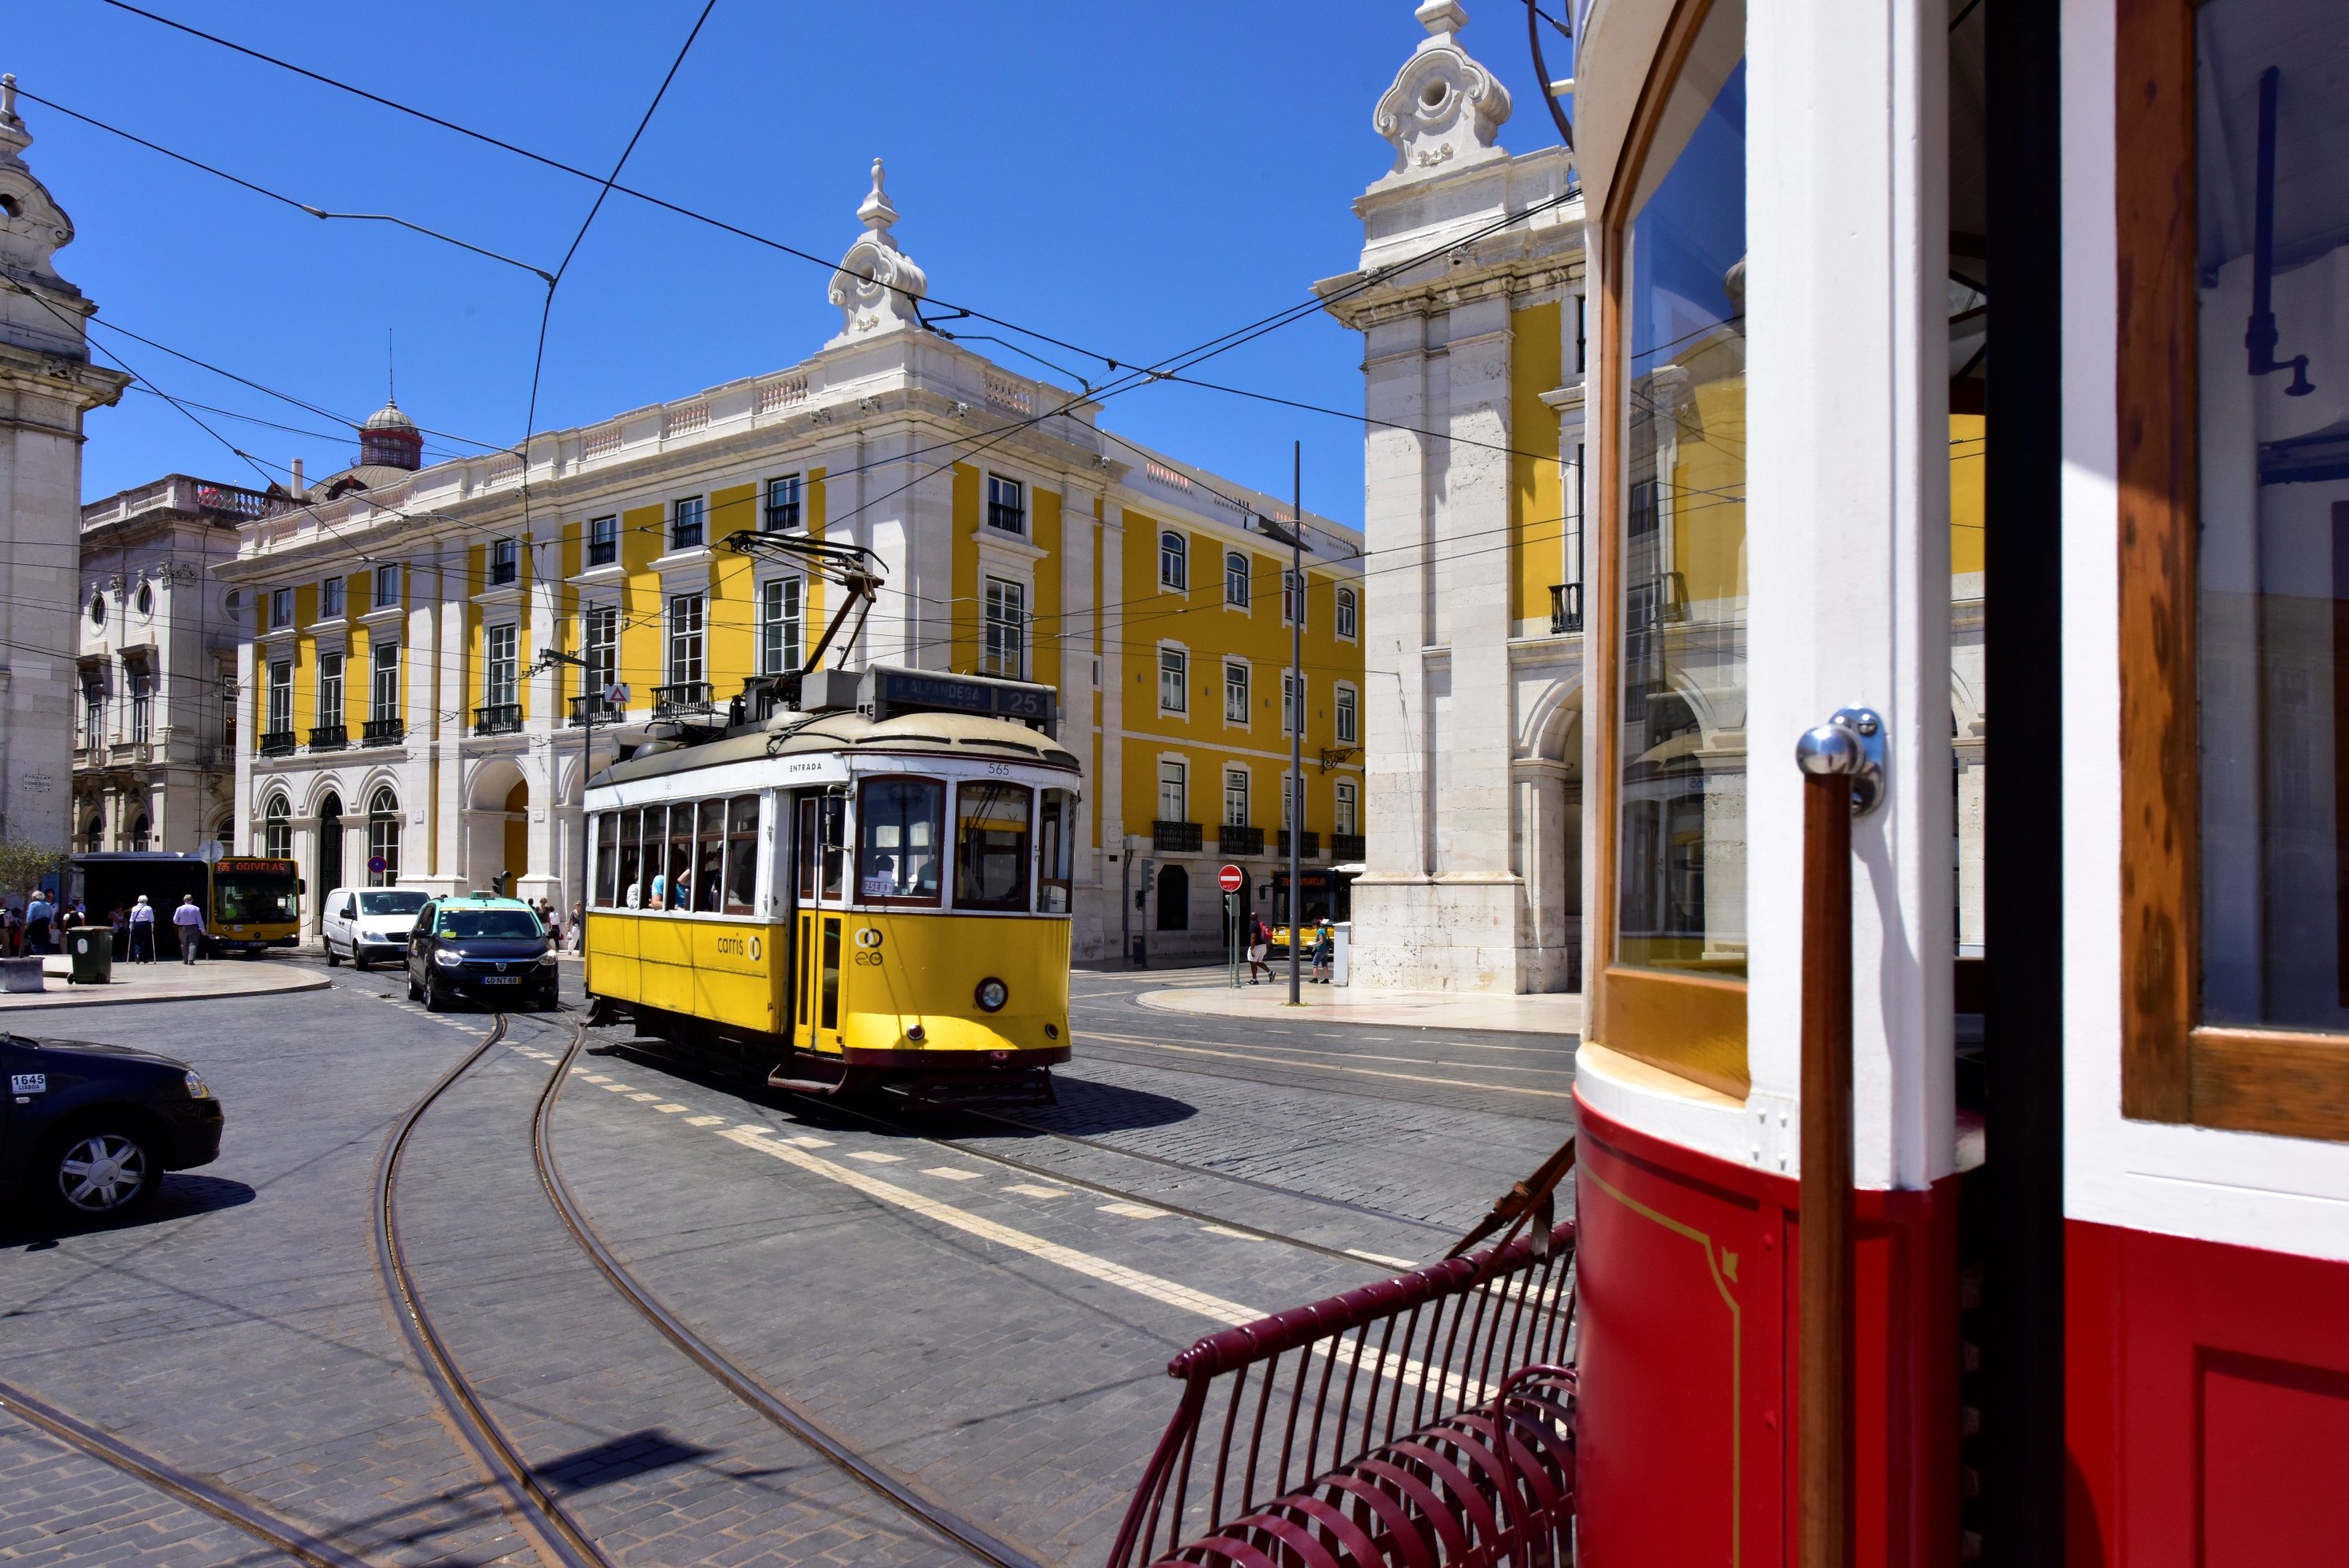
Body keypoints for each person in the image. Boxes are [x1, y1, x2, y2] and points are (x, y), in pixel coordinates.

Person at [172, 893, 207, 964]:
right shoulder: (196, 909)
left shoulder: (179, 908)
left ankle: (185, 960)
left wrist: (180, 923)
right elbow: (200, 920)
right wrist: (203, 930)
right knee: (193, 944)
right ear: (192, 900)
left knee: (183, 944)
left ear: (184, 900)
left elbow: (175, 920)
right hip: (194, 928)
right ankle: (191, 960)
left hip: (183, 928)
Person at [23, 891, 54, 955]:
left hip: (36, 926)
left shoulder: (33, 904)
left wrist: (26, 927)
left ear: (35, 897)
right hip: (45, 927)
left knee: (35, 944)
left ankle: (36, 957)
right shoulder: (48, 905)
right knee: (43, 944)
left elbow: (30, 917)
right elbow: (51, 918)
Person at [127, 895, 156, 963]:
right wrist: (152, 925)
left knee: (137, 941)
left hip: (137, 925)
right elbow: (151, 918)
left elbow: (132, 918)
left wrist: (130, 926)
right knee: (146, 941)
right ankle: (145, 958)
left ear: (138, 900)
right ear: (146, 901)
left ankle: (137, 955)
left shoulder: (134, 908)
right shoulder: (149, 908)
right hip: (146, 925)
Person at [1246, 913, 1271, 984]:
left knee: (1253, 963)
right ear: (1257, 917)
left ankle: (1254, 980)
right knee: (1257, 962)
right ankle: (1270, 972)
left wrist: (1252, 949)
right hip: (1263, 946)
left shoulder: (1253, 925)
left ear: (1251, 917)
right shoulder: (1259, 924)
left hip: (1257, 946)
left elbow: (1253, 938)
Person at [1310, 917, 1334, 984]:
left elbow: (1321, 940)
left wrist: (1314, 944)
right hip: (1325, 950)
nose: (1313, 926)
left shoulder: (1319, 931)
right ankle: (1326, 979)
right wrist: (1315, 941)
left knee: (1314, 964)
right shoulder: (1323, 929)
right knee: (1325, 964)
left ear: (1315, 925)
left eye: (1313, 925)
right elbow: (1322, 939)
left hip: (1321, 950)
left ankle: (1315, 979)